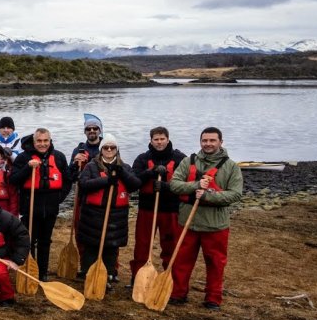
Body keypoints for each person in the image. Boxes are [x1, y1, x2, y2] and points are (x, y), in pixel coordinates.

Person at [167, 127, 244, 309]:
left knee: (215, 263)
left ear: (220, 142)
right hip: (188, 222)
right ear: (200, 141)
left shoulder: (231, 167)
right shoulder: (188, 161)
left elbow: (235, 194)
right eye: (205, 140)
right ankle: (178, 293)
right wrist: (196, 185)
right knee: (181, 261)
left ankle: (213, 298)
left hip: (215, 225)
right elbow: (174, 185)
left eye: (212, 140)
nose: (208, 144)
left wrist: (208, 196)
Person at [75, 134, 141, 286]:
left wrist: (122, 173)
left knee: (111, 248)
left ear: (117, 149)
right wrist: (106, 180)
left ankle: (109, 274)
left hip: (116, 217)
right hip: (93, 215)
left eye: (112, 147)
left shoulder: (124, 167)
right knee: (91, 247)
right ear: (101, 149)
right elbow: (83, 184)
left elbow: (135, 185)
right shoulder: (92, 166)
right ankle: (88, 274)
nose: (109, 150)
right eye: (106, 147)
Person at [9, 128, 71, 280]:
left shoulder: (59, 157)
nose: (42, 144)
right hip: (30, 207)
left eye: (45, 141)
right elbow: (13, 180)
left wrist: (59, 198)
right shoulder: (23, 158)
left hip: (51, 207)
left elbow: (67, 180)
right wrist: (28, 168)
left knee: (45, 241)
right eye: (39, 141)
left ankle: (42, 272)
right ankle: (30, 270)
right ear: (34, 141)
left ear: (50, 141)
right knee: (29, 240)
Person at [129, 126, 187, 282]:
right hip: (147, 209)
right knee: (142, 245)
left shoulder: (180, 158)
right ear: (151, 140)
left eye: (162, 139)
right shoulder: (142, 159)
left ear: (168, 139)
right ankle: (138, 278)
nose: (159, 142)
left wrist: (167, 186)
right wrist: (150, 172)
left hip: (171, 210)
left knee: (171, 245)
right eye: (156, 139)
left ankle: (171, 279)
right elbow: (133, 181)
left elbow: (187, 184)